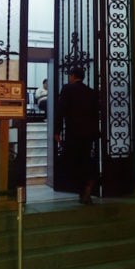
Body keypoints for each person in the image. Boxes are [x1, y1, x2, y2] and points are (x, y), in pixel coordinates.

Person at [54, 67, 100, 205]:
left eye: (70, 75)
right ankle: (87, 189)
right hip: (89, 133)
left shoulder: (68, 89)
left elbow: (60, 110)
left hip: (73, 132)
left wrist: (57, 131)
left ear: (73, 76)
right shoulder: (91, 92)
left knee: (73, 161)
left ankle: (82, 190)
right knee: (86, 160)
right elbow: (95, 113)